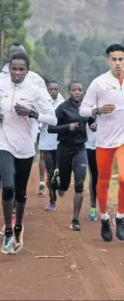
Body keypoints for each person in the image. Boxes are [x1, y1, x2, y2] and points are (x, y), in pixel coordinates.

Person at [0, 52, 57, 255]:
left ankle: (19, 226)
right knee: (7, 186)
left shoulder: (36, 90)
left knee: (20, 191)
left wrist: (32, 113)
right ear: (9, 69)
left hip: (26, 146)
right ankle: (9, 230)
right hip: (3, 141)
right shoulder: (0, 84)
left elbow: (52, 119)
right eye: (14, 69)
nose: (17, 73)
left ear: (27, 71)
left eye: (21, 69)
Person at [0, 42, 64, 195]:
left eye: (20, 52)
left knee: (20, 174)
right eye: (13, 53)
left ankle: (18, 197)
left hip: (28, 131)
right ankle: (9, 193)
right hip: (3, 132)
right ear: (8, 57)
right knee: (6, 170)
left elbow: (49, 105)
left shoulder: (35, 80)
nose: (17, 71)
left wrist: (34, 115)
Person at [80, 43, 124, 242]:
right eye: (114, 59)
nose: (118, 63)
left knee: (123, 178)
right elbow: (83, 110)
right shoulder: (99, 83)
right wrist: (98, 110)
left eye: (121, 59)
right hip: (104, 141)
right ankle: (105, 218)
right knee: (104, 181)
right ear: (108, 60)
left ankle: (121, 217)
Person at [47, 82, 95, 230]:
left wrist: (93, 125)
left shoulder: (87, 107)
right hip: (64, 149)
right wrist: (68, 127)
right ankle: (56, 180)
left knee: (79, 185)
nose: (77, 92)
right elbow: (50, 128)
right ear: (69, 92)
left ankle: (75, 220)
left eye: (80, 90)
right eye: (74, 90)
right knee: (64, 186)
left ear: (83, 92)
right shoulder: (62, 108)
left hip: (80, 149)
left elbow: (92, 120)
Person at [38, 80, 64, 211]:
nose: (53, 91)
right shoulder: (42, 102)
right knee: (50, 173)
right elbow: (37, 119)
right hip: (46, 143)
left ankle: (61, 186)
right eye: (51, 89)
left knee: (60, 173)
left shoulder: (63, 103)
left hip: (60, 143)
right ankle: (52, 200)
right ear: (46, 90)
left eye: (56, 89)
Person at [86, 119, 99, 221]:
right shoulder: (86, 106)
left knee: (104, 177)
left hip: (106, 146)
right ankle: (93, 206)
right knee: (93, 176)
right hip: (90, 147)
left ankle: (104, 202)